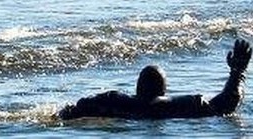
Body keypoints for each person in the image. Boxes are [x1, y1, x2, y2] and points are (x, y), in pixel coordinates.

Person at [58, 38, 252, 120]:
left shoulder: (114, 101)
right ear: (163, 90)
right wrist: (238, 72)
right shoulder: (190, 104)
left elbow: (74, 109)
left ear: (137, 88)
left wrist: (65, 113)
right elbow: (228, 102)